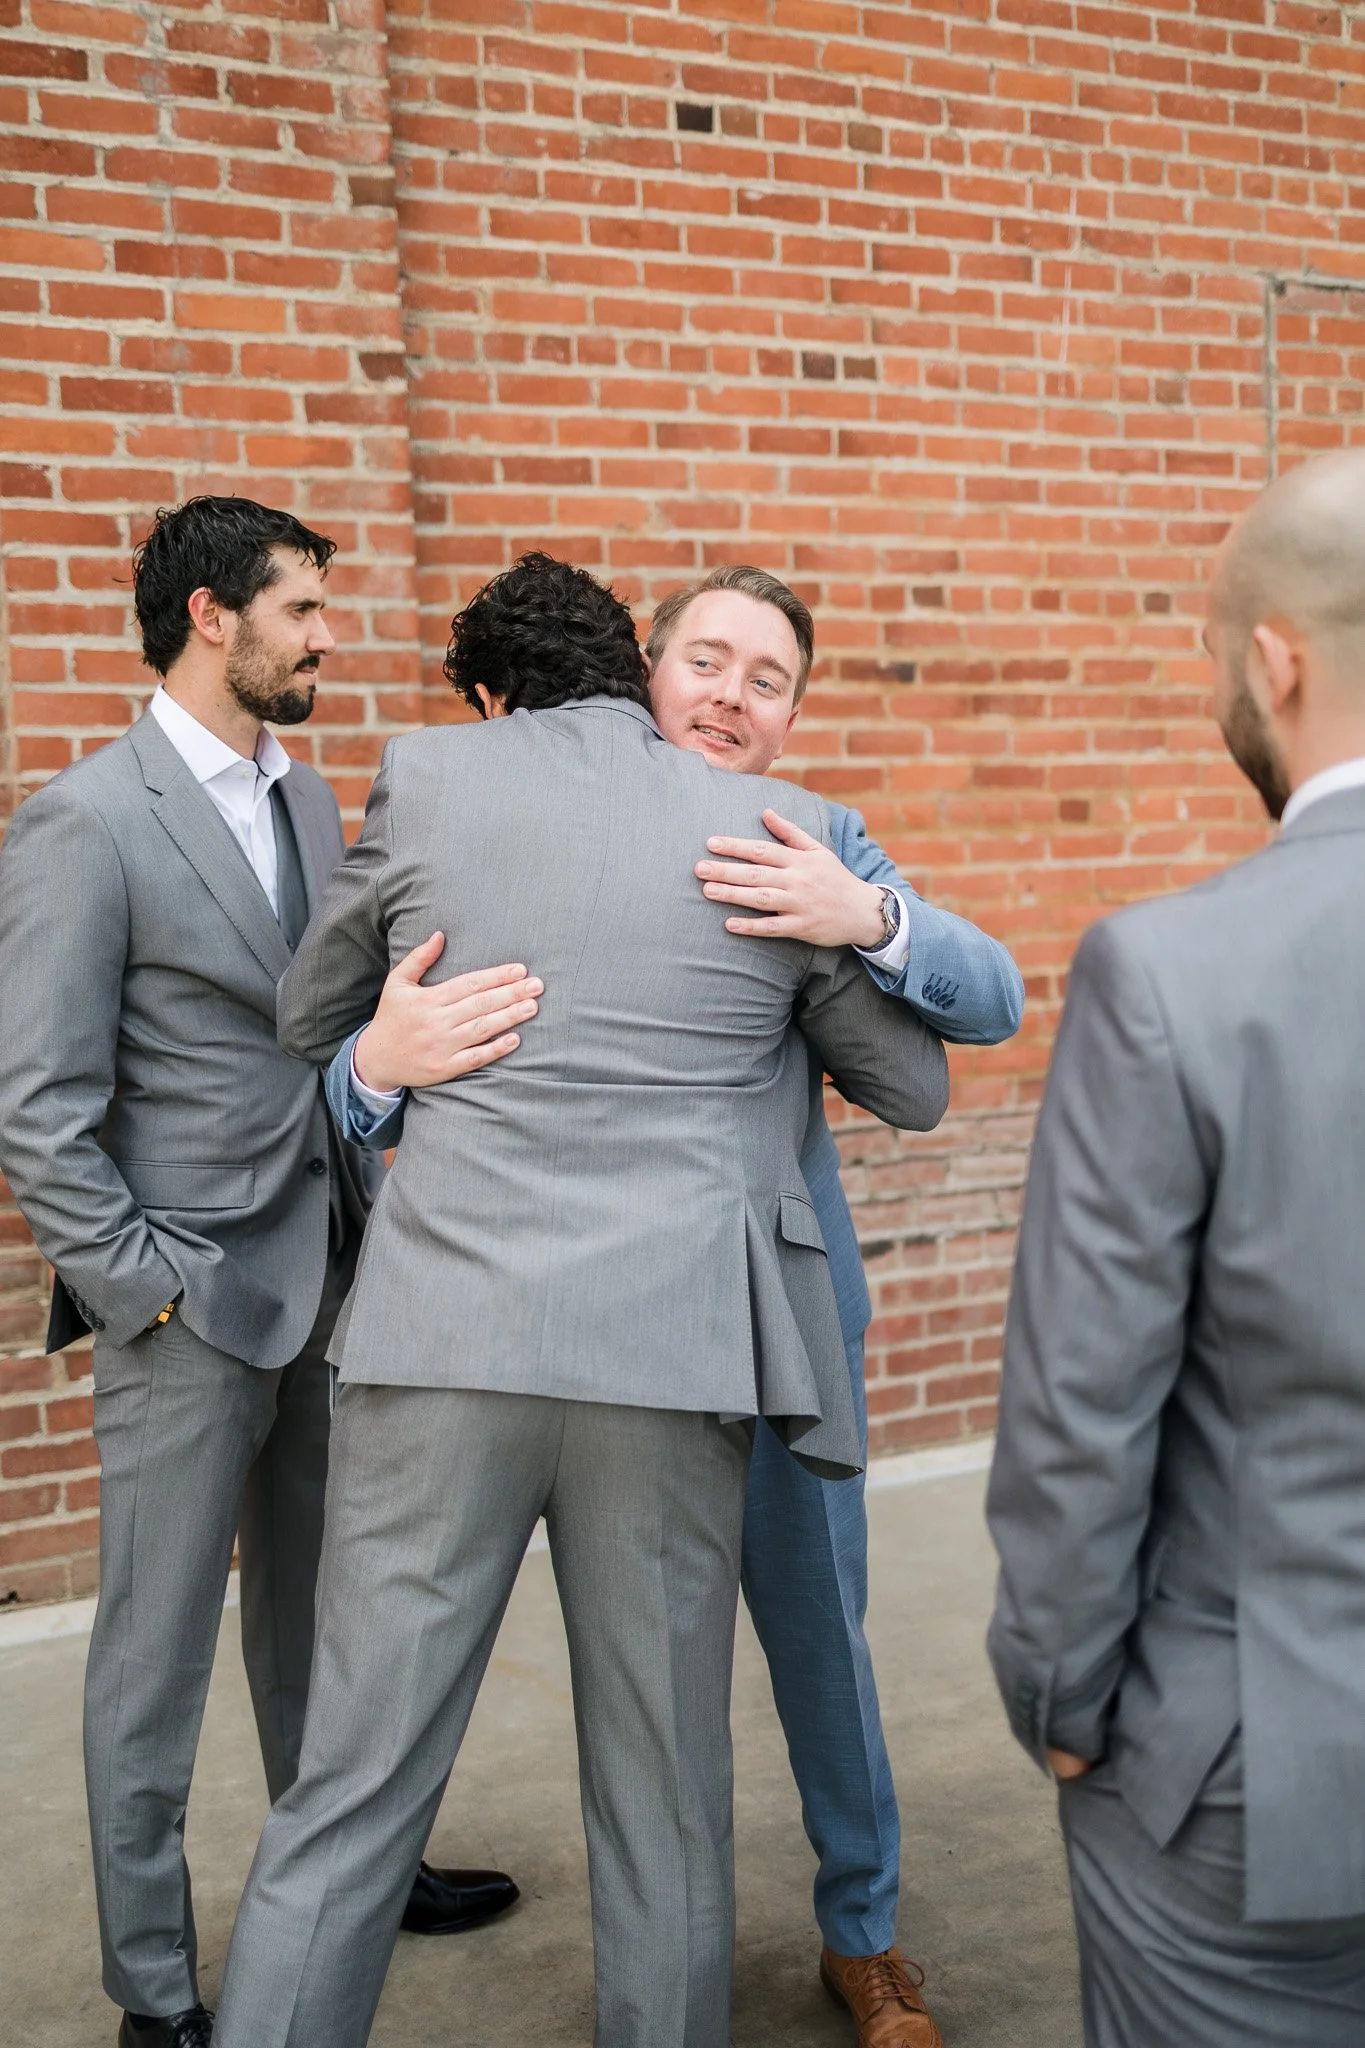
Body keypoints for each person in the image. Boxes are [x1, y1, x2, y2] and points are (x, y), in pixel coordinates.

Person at [211, 552, 951, 2048]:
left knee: (355, 1787)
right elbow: (915, 1084)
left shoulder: (429, 775)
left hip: (446, 1347)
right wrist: (845, 932)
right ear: (643, 667)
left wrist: (384, 1051)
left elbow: (305, 1016)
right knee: (664, 1801)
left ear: (492, 692)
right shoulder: (776, 838)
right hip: (674, 1369)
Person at [0, 498, 519, 2048]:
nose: (328, 636)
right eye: (302, 608)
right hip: (182, 1314)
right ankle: (153, 1995)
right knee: (150, 1667)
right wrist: (142, 1287)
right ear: (213, 616)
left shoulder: (304, 802)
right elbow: (37, 1107)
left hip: (328, 1277)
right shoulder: (85, 819)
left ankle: (349, 1878)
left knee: (327, 1624)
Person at [986, 445, 1365, 2045]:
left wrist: (1063, 1701)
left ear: (1275, 657)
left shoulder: (1167, 974)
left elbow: (1085, 1408)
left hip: (1259, 1780)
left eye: (1223, 657)